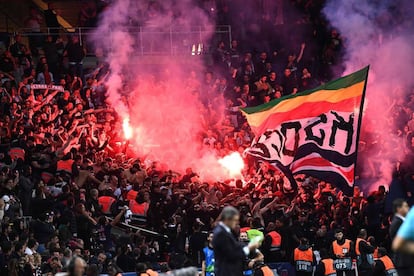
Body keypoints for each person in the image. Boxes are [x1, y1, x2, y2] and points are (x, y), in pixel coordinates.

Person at [212, 206, 260, 276]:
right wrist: (248, 248)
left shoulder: (226, 231)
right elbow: (232, 253)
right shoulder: (220, 233)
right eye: (235, 220)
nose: (237, 223)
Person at [389, 198, 412, 276]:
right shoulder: (397, 223)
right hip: (403, 260)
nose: (408, 208)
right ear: (399, 209)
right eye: (405, 206)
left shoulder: (402, 221)